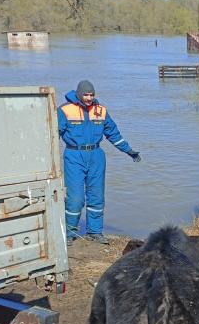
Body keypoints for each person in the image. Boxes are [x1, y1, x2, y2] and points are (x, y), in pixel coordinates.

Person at [58, 80, 141, 246]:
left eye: (92, 95)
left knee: (96, 196)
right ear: (79, 94)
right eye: (86, 95)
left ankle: (94, 232)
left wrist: (128, 150)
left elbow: (113, 133)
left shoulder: (100, 110)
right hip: (74, 155)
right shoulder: (64, 110)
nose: (89, 98)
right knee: (75, 198)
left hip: (96, 156)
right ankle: (69, 232)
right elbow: (52, 134)